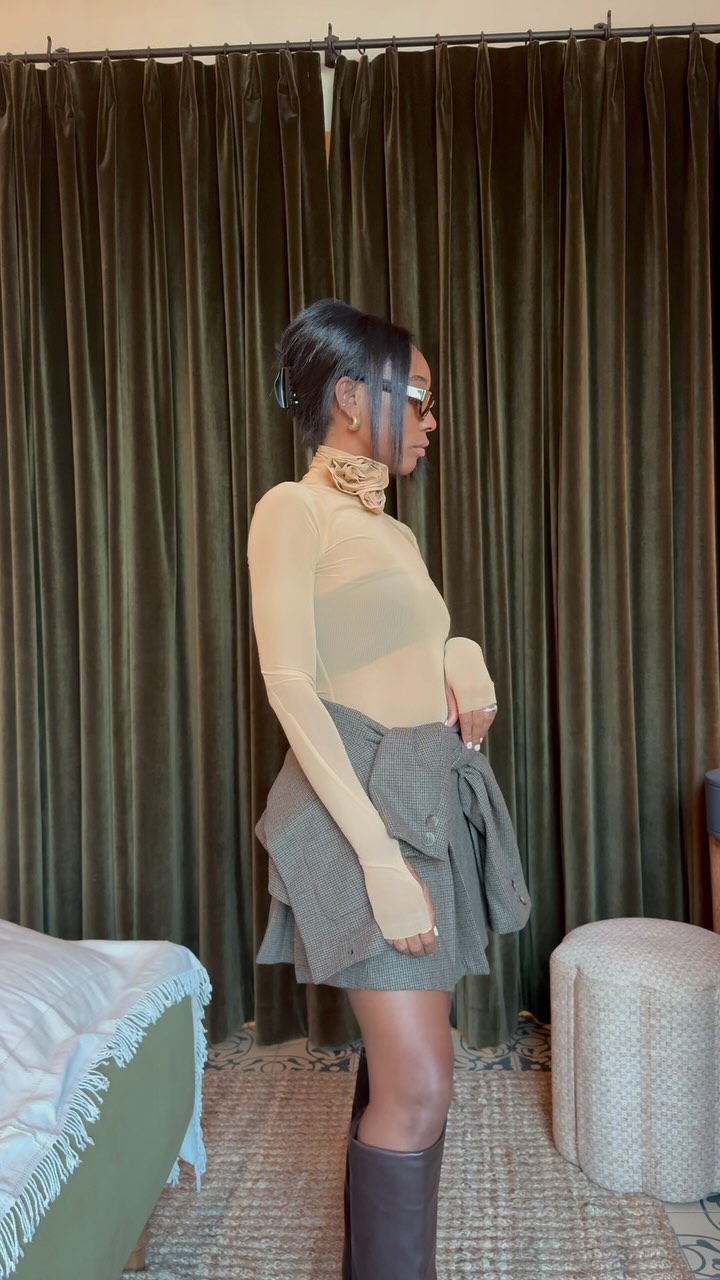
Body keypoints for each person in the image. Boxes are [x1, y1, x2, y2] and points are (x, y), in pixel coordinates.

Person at [247, 299, 529, 1280]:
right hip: (361, 808)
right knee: (418, 1091)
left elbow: (393, 644)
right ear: (351, 395)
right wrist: (376, 860)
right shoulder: (292, 510)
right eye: (418, 397)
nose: (430, 420)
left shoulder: (393, 534)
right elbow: (291, 684)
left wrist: (460, 651)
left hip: (426, 796)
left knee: (407, 1077)